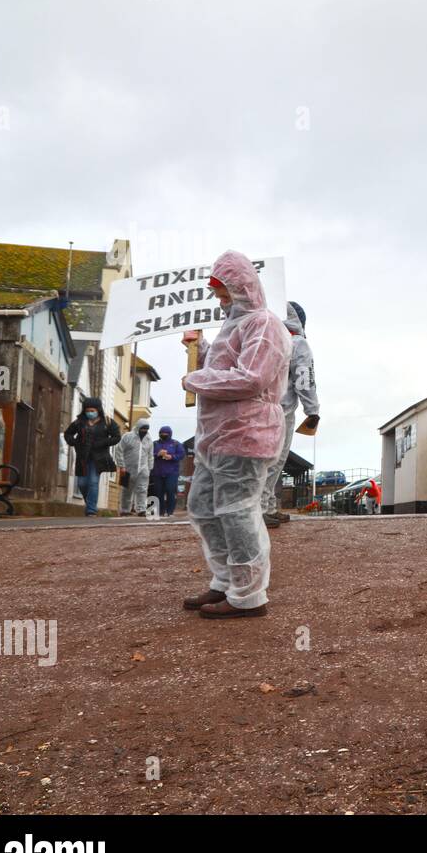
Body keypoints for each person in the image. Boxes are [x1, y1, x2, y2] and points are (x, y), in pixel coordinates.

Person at [180, 250, 292, 619]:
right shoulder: (233, 326)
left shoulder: (264, 324)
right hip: (216, 437)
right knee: (204, 508)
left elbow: (251, 378)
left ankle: (248, 595)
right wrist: (199, 353)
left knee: (237, 512)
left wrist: (194, 379)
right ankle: (225, 580)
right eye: (216, 290)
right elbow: (224, 367)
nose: (219, 297)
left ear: (241, 286)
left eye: (223, 289)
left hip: (246, 434)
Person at [262, 301, 320, 528]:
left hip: (255, 409)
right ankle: (261, 510)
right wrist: (312, 410)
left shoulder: (264, 338)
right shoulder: (297, 343)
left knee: (261, 460)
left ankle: (267, 506)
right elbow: (305, 378)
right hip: (280, 410)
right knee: (274, 460)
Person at [63, 397, 121, 517]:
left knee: (93, 482)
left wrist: (102, 443)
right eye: (87, 410)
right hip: (82, 457)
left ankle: (91, 510)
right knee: (82, 484)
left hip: (98, 458)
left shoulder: (107, 422)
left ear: (98, 410)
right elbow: (68, 433)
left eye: (92, 410)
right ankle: (89, 502)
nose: (90, 412)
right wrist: (74, 442)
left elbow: (116, 437)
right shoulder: (79, 422)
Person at [114, 417, 154, 515]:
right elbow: (119, 450)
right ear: (138, 427)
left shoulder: (148, 439)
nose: (144, 431)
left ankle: (141, 509)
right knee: (126, 490)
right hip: (127, 468)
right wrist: (121, 465)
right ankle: (125, 510)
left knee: (142, 489)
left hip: (143, 469)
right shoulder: (128, 436)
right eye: (142, 429)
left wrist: (149, 468)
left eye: (146, 429)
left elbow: (150, 455)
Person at [150, 426, 186, 517]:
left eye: (166, 434)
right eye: (161, 433)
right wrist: (157, 454)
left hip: (172, 472)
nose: (163, 435)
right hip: (157, 471)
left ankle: (170, 511)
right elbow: (148, 454)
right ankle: (161, 511)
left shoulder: (176, 444)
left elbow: (182, 454)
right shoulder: (155, 444)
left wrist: (172, 457)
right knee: (158, 492)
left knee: (170, 490)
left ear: (170, 434)